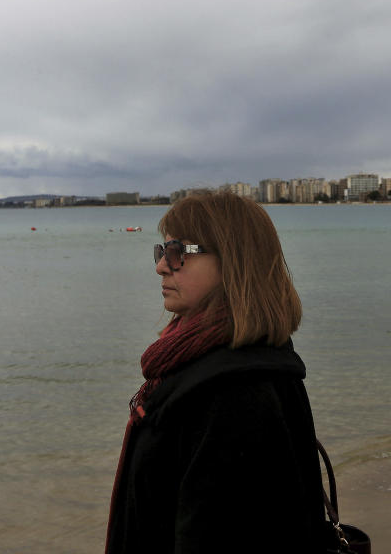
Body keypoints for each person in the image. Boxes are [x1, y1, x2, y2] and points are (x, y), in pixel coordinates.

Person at [105, 191, 328, 554]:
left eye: (177, 252)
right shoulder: (213, 366)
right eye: (161, 252)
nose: (161, 266)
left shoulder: (235, 392)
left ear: (233, 261)